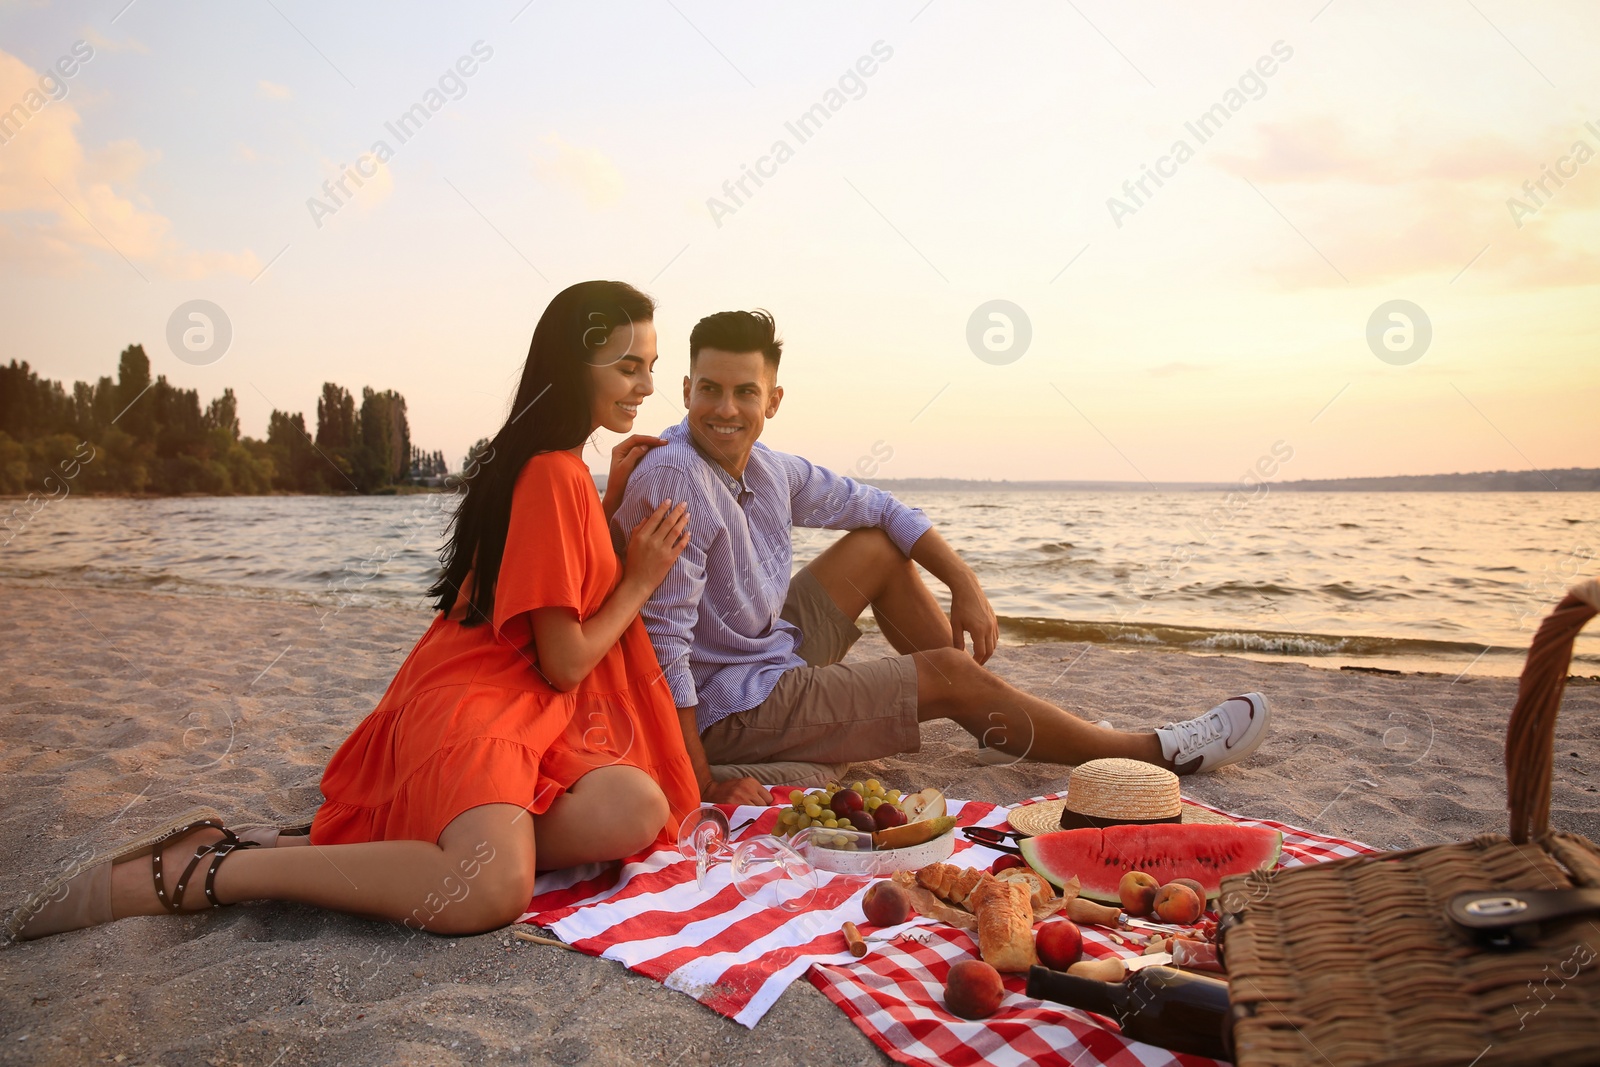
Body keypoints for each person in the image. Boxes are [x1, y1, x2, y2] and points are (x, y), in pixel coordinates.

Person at [10, 280, 701, 942]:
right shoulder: (550, 470)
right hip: (483, 704)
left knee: (637, 805)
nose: (645, 385)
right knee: (487, 888)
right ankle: (222, 868)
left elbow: (558, 577)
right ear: (573, 366)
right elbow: (565, 660)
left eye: (651, 366)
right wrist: (640, 578)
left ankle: (412, 838)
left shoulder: (560, 470)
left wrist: (607, 509)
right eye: (628, 366)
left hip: (515, 707)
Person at [612, 309, 1271, 804]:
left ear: (773, 400)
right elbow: (659, 641)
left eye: (745, 392)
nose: (725, 409)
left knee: (879, 547)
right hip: (728, 708)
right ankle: (1151, 752)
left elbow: (883, 509)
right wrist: (699, 786)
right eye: (709, 390)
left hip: (762, 653)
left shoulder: (771, 467)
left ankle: (989, 725)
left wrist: (964, 581)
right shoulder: (675, 477)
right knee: (948, 675)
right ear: (687, 388)